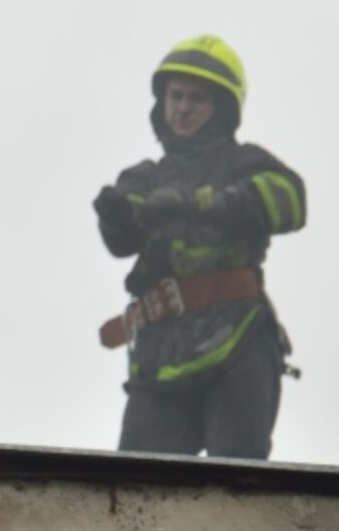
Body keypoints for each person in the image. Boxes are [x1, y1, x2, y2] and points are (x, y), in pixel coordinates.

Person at [92, 35, 307, 459]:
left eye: (196, 99)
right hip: (159, 356)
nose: (183, 108)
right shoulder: (144, 177)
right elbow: (123, 240)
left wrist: (200, 203)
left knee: (235, 486)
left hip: (237, 342)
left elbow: (290, 202)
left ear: (222, 109)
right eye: (175, 96)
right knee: (139, 495)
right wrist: (116, 217)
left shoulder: (244, 162)